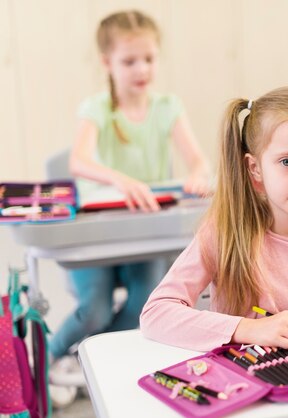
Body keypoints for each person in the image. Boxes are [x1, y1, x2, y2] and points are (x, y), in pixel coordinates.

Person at [140, 85, 288, 352]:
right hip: (247, 384)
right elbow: (156, 314)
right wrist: (250, 329)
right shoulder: (224, 234)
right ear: (255, 169)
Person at [48, 10, 212, 402]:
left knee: (145, 307)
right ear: (108, 63)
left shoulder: (168, 107)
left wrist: (200, 174)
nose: (142, 69)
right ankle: (50, 361)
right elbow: (79, 161)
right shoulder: (97, 109)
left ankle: (88, 359)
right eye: (129, 61)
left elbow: (199, 161)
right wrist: (120, 179)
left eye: (149, 59)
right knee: (94, 311)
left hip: (145, 233)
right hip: (99, 231)